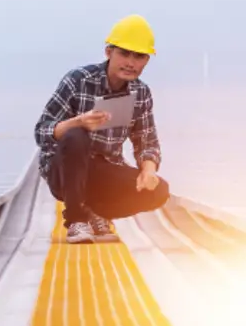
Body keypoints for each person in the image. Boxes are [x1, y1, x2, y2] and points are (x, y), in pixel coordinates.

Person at [34, 14, 171, 244]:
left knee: (159, 191)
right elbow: (42, 131)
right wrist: (76, 122)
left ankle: (97, 211)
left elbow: (146, 142)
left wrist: (148, 170)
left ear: (146, 60)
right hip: (64, 171)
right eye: (124, 54)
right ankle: (77, 219)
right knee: (76, 136)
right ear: (109, 53)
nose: (130, 62)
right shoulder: (78, 80)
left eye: (138, 56)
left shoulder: (141, 93)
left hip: (103, 171)